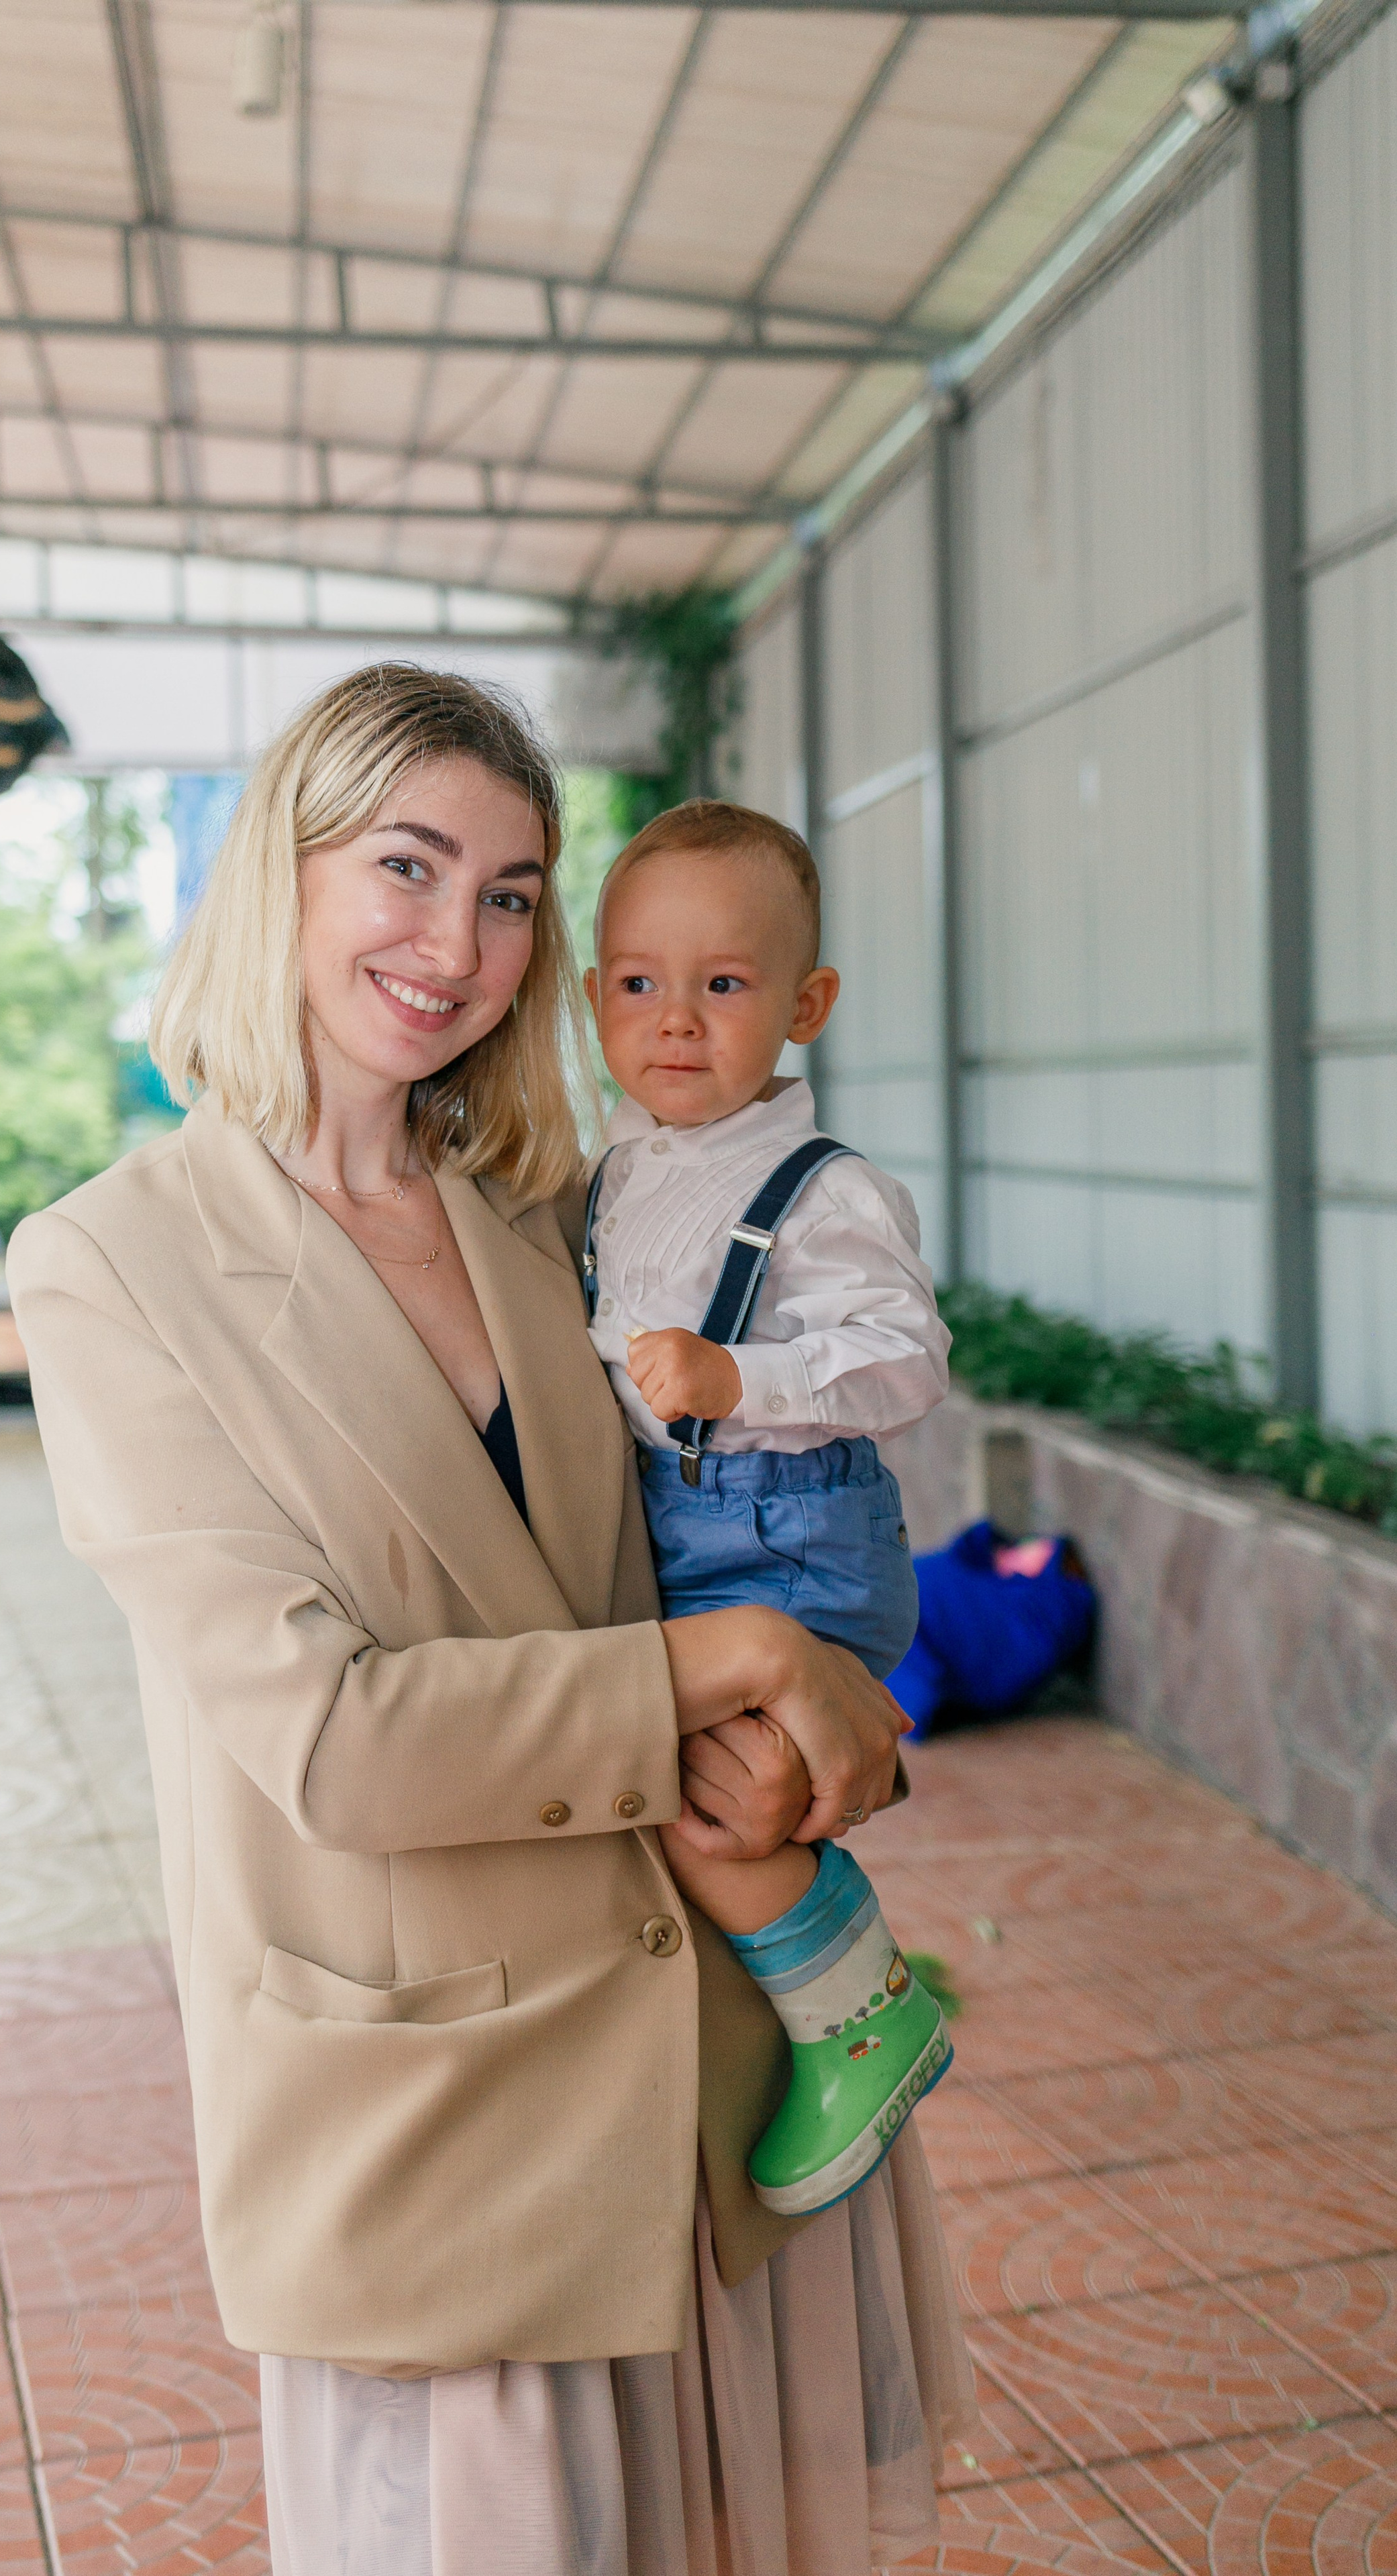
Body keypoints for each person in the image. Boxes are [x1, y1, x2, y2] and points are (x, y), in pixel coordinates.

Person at [8, 666, 975, 2575]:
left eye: (516, 892)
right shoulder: (110, 1267)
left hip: (708, 2084)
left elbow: (758, 1501)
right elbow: (340, 1740)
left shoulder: (558, 1212)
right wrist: (753, 1666)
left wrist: (826, 1681)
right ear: (277, 872)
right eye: (408, 865)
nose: (460, 942)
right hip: (439, 2106)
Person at [584, 800, 955, 2222]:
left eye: (722, 985)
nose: (675, 1021)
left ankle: (858, 2008)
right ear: (593, 995)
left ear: (804, 1004)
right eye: (637, 984)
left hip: (786, 1531)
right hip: (681, 1531)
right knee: (645, 1772)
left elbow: (905, 1361)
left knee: (702, 1803)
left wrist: (743, 1372)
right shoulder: (618, 1171)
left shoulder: (824, 1188)